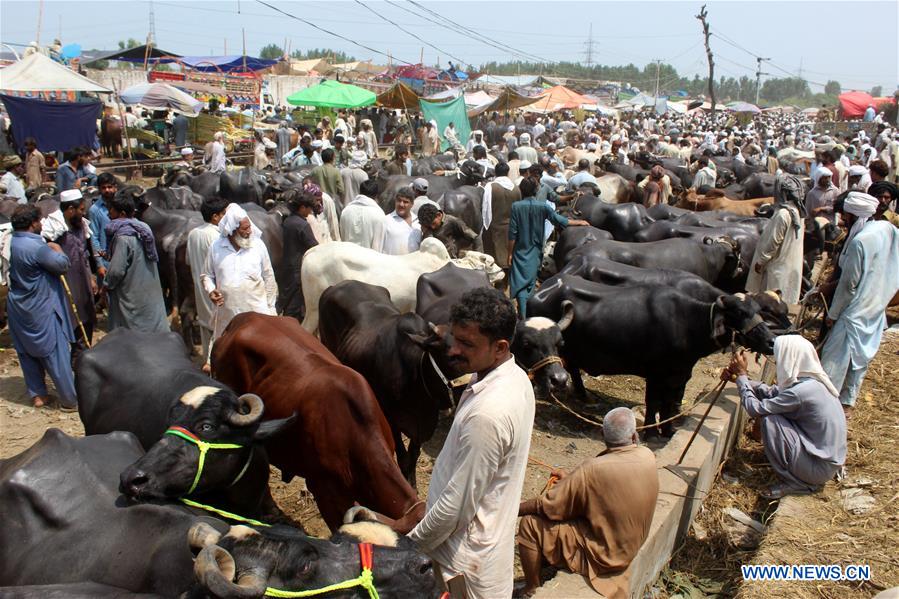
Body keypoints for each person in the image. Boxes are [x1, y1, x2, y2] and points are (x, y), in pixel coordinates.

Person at [408, 287, 535, 599]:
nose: (452, 350)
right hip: (479, 553)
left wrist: (407, 547)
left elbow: (455, 509)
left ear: (500, 347)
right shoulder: (514, 378)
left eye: (466, 344)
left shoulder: (488, 414)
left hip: (463, 569)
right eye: (454, 338)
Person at [516, 407, 658, 599]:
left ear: (602, 434)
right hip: (628, 547)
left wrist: (514, 508)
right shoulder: (647, 455)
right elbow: (601, 492)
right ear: (634, 436)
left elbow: (549, 506)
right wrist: (570, 480)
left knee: (530, 524)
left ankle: (531, 588)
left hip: (605, 557)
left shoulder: (591, 469)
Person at [725, 336, 847, 499]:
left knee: (770, 421)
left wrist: (741, 377)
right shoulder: (812, 383)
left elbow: (756, 409)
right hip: (825, 464)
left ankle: (798, 484)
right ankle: (798, 469)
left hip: (817, 470)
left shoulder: (801, 392)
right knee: (773, 415)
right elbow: (771, 393)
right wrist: (740, 379)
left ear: (790, 358)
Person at [820, 193, 899, 415]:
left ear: (854, 215)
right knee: (858, 364)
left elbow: (849, 286)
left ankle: (824, 411)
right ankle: (845, 408)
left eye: (846, 216)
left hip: (852, 312)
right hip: (875, 306)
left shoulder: (859, 241)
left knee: (832, 366)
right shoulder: (888, 230)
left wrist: (833, 315)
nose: (843, 221)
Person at [7, 204, 78, 410]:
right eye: (39, 221)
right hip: (42, 307)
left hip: (19, 305)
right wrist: (57, 248)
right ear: (32, 224)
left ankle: (38, 394)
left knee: (26, 352)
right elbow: (62, 265)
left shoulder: (13, 242)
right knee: (55, 352)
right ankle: (69, 399)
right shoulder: (37, 247)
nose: (41, 224)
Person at [509, 177, 589, 318]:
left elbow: (512, 234)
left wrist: (510, 253)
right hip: (535, 249)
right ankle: (527, 313)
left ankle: (522, 313)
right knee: (531, 282)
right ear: (536, 190)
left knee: (520, 282)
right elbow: (560, 220)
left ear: (521, 190)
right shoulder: (543, 207)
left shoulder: (516, 206)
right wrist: (579, 222)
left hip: (520, 249)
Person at [201, 203, 278, 337]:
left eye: (249, 227)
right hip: (228, 317)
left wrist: (270, 307)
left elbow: (269, 277)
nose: (249, 232)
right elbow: (206, 275)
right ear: (232, 230)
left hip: (257, 314)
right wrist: (211, 290)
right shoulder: (216, 247)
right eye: (244, 229)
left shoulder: (258, 245)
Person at [102, 193, 169, 334]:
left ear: (121, 214)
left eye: (111, 210)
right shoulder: (144, 228)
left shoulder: (123, 237)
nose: (109, 214)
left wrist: (106, 285)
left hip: (131, 295)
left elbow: (116, 272)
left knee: (133, 334)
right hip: (149, 291)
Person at [52, 190, 98, 356]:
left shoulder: (81, 225)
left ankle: (83, 351)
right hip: (65, 281)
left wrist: (91, 277)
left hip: (83, 277)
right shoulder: (55, 228)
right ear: (70, 209)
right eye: (80, 209)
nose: (83, 212)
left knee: (87, 312)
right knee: (70, 315)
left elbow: (86, 253)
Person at [746, 175, 805, 304]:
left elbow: (774, 241)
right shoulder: (798, 211)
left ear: (783, 192)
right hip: (789, 264)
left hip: (776, 266)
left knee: (770, 300)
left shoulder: (783, 214)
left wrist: (761, 261)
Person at [187, 196, 229, 360]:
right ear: (215, 217)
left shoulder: (193, 234)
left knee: (206, 330)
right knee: (221, 335)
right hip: (217, 293)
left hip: (201, 291)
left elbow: (188, 261)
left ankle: (207, 363)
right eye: (224, 214)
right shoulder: (218, 238)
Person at [277, 190, 319, 322]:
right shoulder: (302, 225)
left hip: (286, 269)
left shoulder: (288, 221)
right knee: (294, 308)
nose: (310, 212)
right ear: (302, 207)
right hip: (298, 271)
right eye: (309, 208)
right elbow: (314, 246)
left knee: (286, 302)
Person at [482, 162, 521, 276]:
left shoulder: (490, 186)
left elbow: (486, 208)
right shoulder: (516, 188)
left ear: (495, 172)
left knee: (495, 256)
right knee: (509, 255)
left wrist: (486, 227)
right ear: (508, 172)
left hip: (495, 227)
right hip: (512, 228)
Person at [340, 179, 386, 251]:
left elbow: (343, 237)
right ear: (376, 195)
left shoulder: (346, 211)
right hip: (368, 261)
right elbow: (378, 246)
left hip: (347, 258)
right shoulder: (379, 214)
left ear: (360, 192)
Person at [88, 172, 117, 273]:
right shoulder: (94, 210)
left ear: (115, 188)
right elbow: (94, 237)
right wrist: (99, 264)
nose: (107, 190)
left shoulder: (122, 205)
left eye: (110, 187)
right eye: (103, 188)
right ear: (99, 189)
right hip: (106, 261)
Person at [381, 187, 421, 255]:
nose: (401, 204)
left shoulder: (419, 222)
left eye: (405, 202)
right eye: (399, 200)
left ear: (412, 204)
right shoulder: (385, 221)